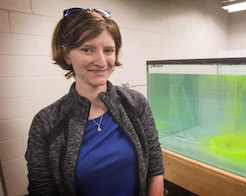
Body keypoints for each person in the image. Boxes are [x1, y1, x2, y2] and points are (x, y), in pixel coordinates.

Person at [25, 8, 164, 196]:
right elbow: (42, 191)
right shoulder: (45, 122)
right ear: (66, 54)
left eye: (108, 50)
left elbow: (155, 170)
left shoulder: (136, 103)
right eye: (87, 49)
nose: (101, 61)